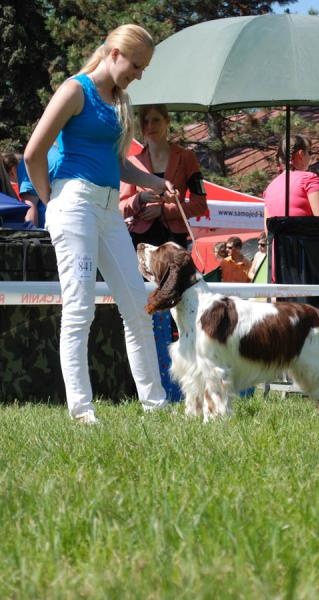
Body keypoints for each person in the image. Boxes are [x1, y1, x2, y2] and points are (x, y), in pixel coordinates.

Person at [24, 24, 179, 423]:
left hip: (110, 211)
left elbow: (118, 163)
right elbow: (32, 153)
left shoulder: (120, 101)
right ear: (113, 53)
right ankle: (83, 413)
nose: (139, 74)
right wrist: (51, 201)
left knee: (138, 307)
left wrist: (154, 182)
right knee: (80, 309)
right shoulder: (75, 90)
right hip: (73, 204)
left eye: (144, 68)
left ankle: (156, 406)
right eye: (136, 65)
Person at [120, 103, 207, 249]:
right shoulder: (132, 163)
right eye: (145, 121)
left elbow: (200, 205)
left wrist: (164, 211)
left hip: (175, 242)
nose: (150, 126)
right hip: (140, 243)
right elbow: (120, 208)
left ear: (167, 121)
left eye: (156, 120)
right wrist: (139, 199)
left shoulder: (187, 158)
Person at [263, 133, 319, 221]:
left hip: (280, 234)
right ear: (301, 154)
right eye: (309, 152)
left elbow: (268, 230)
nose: (310, 157)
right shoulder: (308, 179)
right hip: (303, 234)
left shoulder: (269, 189)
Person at [17, 144, 60, 227]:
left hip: (50, 232)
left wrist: (29, 237)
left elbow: (30, 206)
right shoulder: (78, 156)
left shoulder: (33, 158)